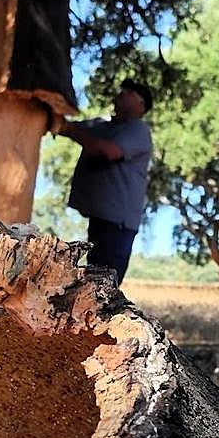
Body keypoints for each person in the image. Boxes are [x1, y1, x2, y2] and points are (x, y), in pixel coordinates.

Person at [57, 78, 153, 285]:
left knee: (103, 287)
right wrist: (59, 123)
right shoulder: (103, 126)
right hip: (101, 219)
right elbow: (67, 127)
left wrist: (69, 129)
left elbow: (108, 151)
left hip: (118, 225)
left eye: (127, 92)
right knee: (92, 281)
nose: (120, 94)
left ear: (140, 105)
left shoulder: (137, 129)